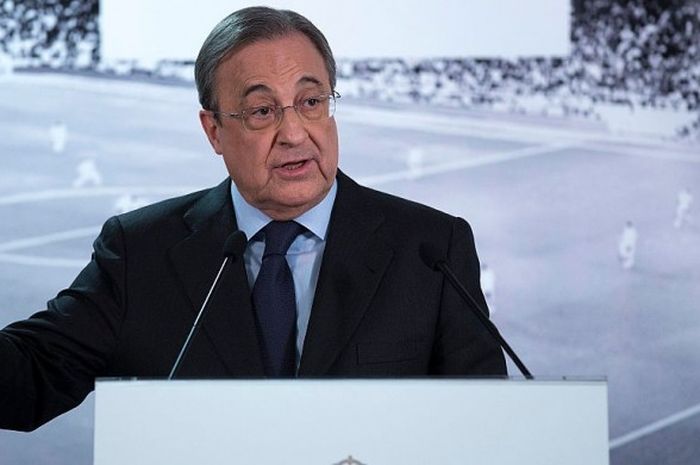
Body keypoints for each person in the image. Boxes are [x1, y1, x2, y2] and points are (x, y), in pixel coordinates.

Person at [0, 6, 506, 432]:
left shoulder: (430, 248)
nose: (294, 133)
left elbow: (487, 426)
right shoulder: (140, 252)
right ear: (214, 131)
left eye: (311, 102)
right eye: (262, 111)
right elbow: (26, 381)